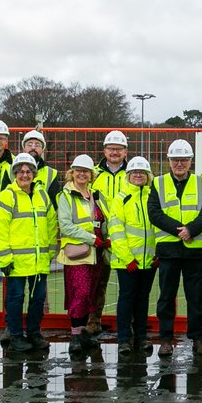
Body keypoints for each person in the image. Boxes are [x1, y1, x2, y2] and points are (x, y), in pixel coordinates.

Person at [149, 138, 202, 357]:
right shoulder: (158, 183)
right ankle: (166, 339)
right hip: (168, 251)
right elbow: (154, 213)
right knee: (166, 297)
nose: (180, 163)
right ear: (169, 161)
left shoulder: (201, 182)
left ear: (190, 162)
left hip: (195, 250)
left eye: (184, 160)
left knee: (195, 297)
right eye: (176, 159)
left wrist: (192, 230)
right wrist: (179, 229)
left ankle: (197, 338)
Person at [0, 152, 55, 356]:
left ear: (34, 174)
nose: (25, 175)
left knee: (37, 299)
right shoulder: (7, 196)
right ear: (14, 174)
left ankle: (34, 332)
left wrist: (51, 248)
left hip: (38, 260)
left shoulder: (42, 195)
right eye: (20, 171)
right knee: (16, 299)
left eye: (28, 171)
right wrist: (5, 257)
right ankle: (16, 336)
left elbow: (52, 223)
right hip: (16, 261)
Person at [56, 154, 108, 358]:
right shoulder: (66, 196)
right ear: (72, 173)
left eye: (86, 171)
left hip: (96, 253)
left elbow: (104, 219)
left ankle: (84, 331)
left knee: (91, 294)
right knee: (81, 293)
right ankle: (75, 335)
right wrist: (90, 238)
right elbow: (66, 226)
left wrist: (106, 236)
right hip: (78, 253)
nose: (82, 174)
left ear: (91, 174)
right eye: (78, 170)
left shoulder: (96, 195)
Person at [107, 156, 157, 363]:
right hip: (127, 261)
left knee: (143, 298)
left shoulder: (154, 196)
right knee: (127, 298)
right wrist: (127, 258)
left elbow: (158, 227)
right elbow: (116, 230)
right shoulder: (121, 198)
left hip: (149, 260)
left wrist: (157, 254)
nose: (138, 175)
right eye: (134, 172)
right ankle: (124, 339)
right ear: (128, 176)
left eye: (142, 172)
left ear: (148, 176)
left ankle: (141, 336)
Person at [86, 130, 133, 335]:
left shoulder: (134, 172)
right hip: (101, 237)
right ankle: (93, 320)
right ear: (104, 150)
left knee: (129, 284)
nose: (115, 152)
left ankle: (129, 323)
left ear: (125, 152)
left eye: (119, 149)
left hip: (127, 235)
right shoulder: (93, 174)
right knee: (98, 281)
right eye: (111, 148)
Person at [21, 129, 61, 197]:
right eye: (29, 144)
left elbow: (54, 202)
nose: (33, 147)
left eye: (37, 145)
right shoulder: (13, 169)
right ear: (24, 148)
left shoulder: (51, 173)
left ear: (42, 150)